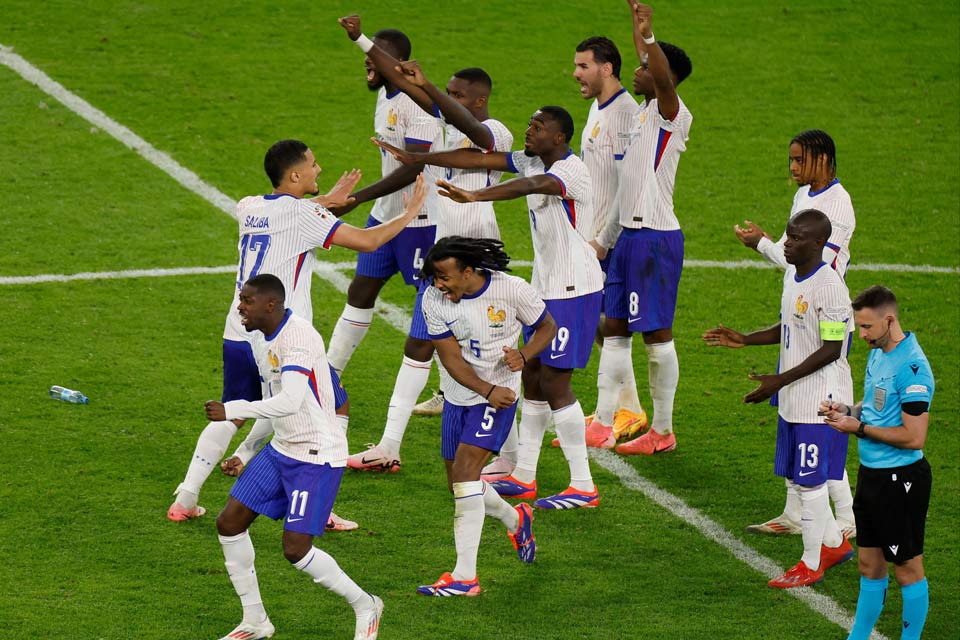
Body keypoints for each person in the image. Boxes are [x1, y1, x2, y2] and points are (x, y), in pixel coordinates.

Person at [167, 139, 429, 522]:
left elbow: (285, 213)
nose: (319, 169)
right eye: (313, 164)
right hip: (281, 337)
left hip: (238, 327)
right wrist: (410, 214)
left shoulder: (248, 206)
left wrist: (323, 203)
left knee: (234, 410)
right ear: (294, 175)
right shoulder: (305, 216)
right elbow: (368, 241)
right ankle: (318, 507)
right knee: (325, 409)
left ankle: (186, 498)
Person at [376, 104, 604, 509]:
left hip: (575, 287)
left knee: (555, 383)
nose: (529, 131)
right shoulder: (533, 158)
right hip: (549, 284)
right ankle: (524, 476)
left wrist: (476, 195)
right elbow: (479, 159)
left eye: (538, 127)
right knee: (533, 379)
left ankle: (583, 485)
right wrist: (420, 158)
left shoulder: (571, 171)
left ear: (559, 138)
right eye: (529, 124)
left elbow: (528, 186)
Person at [335, 15, 517, 473]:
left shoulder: (497, 133)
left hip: (479, 263)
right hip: (445, 258)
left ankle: (515, 460)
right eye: (447, 93)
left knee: (492, 361)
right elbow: (402, 81)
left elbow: (467, 129)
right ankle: (390, 446)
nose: (449, 100)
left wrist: (432, 92)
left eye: (459, 95)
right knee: (422, 348)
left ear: (480, 100)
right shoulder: (444, 129)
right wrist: (360, 40)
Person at [206, 274, 383, 640]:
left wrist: (232, 410)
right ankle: (255, 620)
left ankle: (366, 604)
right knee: (230, 523)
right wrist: (245, 451)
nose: (239, 306)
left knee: (296, 550)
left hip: (315, 455)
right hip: (282, 447)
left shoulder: (298, 337)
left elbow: (289, 401)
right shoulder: (262, 339)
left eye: (247, 300)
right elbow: (275, 402)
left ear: (271, 304)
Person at [703, 209, 855, 588]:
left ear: (818, 243)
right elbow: (790, 325)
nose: (786, 244)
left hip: (821, 401)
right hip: (794, 396)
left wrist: (779, 380)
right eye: (787, 236)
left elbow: (832, 348)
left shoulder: (830, 286)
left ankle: (811, 562)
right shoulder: (793, 274)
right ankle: (834, 545)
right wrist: (746, 339)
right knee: (801, 480)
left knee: (812, 483)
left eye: (796, 239)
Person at [734, 130, 858, 539]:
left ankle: (846, 518)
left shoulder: (837, 206)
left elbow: (812, 263)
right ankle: (794, 512)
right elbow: (794, 256)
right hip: (798, 314)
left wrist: (764, 245)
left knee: (818, 424)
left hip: (820, 321)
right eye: (790, 159)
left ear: (823, 159)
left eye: (799, 160)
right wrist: (766, 244)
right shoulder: (805, 194)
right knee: (792, 415)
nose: (792, 168)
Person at [417, 236, 556, 596]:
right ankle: (516, 519)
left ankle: (465, 577)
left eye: (444, 276)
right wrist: (485, 389)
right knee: (458, 485)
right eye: (435, 277)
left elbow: (547, 327)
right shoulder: (433, 299)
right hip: (461, 395)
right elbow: (451, 359)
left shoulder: (511, 290)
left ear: (468, 271)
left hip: (499, 398)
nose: (439, 284)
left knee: (466, 475)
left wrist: (524, 355)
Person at [586, 2, 692, 455]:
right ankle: (602, 422)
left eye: (644, 67)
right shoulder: (643, 115)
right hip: (628, 238)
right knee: (613, 328)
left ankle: (662, 432)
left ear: (665, 76)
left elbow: (662, 77)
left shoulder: (672, 114)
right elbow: (626, 189)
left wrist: (649, 37)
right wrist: (604, 241)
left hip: (655, 238)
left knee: (655, 337)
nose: (637, 70)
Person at [324, 21, 441, 394]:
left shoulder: (417, 106)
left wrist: (357, 198)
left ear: (400, 63)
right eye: (368, 53)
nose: (368, 60)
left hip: (422, 220)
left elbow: (413, 167)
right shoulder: (386, 95)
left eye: (377, 54)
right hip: (386, 215)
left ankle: (450, 390)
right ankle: (327, 376)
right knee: (360, 291)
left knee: (437, 305)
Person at [820, 286, 933, 640]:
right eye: (860, 326)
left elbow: (914, 436)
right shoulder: (879, 354)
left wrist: (859, 428)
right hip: (872, 476)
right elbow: (874, 407)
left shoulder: (912, 368)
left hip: (902, 480)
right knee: (869, 565)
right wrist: (847, 411)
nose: (863, 334)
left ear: (890, 320)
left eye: (867, 327)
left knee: (906, 568)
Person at [573, 35, 648, 445]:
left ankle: (624, 410)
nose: (576, 73)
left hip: (611, 242)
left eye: (583, 66)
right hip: (592, 237)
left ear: (607, 68)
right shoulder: (598, 107)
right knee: (603, 326)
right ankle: (626, 406)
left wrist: (604, 239)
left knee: (612, 326)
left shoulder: (624, 115)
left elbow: (628, 185)